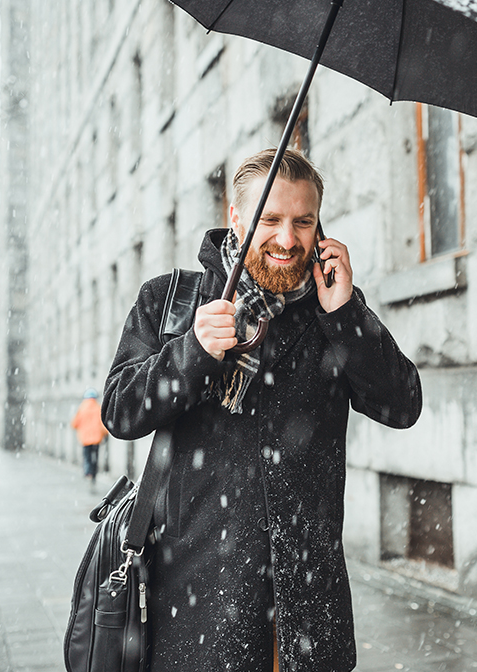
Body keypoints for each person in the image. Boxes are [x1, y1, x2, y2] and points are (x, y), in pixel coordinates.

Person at [102, 148, 422, 672]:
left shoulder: (331, 308)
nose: (287, 239)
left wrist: (346, 316)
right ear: (235, 217)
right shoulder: (171, 301)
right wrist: (191, 353)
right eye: (269, 220)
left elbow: (402, 405)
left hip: (308, 615)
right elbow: (119, 411)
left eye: (303, 222)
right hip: (199, 611)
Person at [71, 388, 108, 485]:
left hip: (85, 439)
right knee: (95, 456)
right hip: (96, 438)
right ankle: (94, 473)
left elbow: (74, 423)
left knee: (86, 456)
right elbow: (103, 424)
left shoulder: (82, 408)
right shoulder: (98, 408)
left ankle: (88, 472)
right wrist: (105, 434)